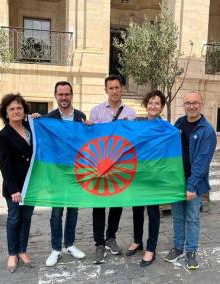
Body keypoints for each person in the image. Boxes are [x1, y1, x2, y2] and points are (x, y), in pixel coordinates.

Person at [164, 90, 217, 270]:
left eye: (195, 103)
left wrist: (192, 186)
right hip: (176, 181)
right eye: (188, 103)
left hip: (194, 183)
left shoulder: (207, 131)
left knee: (192, 218)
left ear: (201, 105)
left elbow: (202, 162)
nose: (191, 106)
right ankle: (178, 247)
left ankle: (191, 251)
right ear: (184, 105)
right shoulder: (179, 123)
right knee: (177, 217)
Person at [90, 75, 136, 264]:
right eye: (111, 88)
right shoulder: (96, 112)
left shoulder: (131, 113)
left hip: (120, 166)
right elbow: (92, 139)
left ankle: (111, 237)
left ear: (121, 89)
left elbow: (132, 138)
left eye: (117, 87)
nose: (114, 91)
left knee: (117, 203)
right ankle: (99, 243)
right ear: (106, 90)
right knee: (99, 205)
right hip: (100, 165)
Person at [44, 81, 87, 267]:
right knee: (56, 212)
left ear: (72, 95)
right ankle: (55, 249)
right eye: (60, 94)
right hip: (57, 173)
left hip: (76, 173)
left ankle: (69, 244)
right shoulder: (49, 118)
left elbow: (87, 142)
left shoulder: (81, 117)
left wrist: (90, 128)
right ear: (55, 96)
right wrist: (35, 120)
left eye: (67, 94)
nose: (64, 98)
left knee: (73, 210)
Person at [0, 93, 34, 273]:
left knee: (26, 219)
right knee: (14, 218)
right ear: (6, 113)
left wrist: (39, 119)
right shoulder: (2, 136)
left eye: (19, 108)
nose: (16, 111)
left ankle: (22, 250)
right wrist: (14, 190)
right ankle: (12, 253)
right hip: (15, 188)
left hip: (32, 184)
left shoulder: (31, 128)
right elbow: (5, 166)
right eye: (12, 109)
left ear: (24, 110)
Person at [126, 90, 164, 267]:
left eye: (157, 103)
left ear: (162, 107)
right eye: (150, 103)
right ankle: (137, 240)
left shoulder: (165, 128)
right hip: (138, 175)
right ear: (146, 105)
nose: (153, 106)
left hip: (154, 178)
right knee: (137, 209)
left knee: (153, 212)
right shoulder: (138, 123)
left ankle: (151, 248)